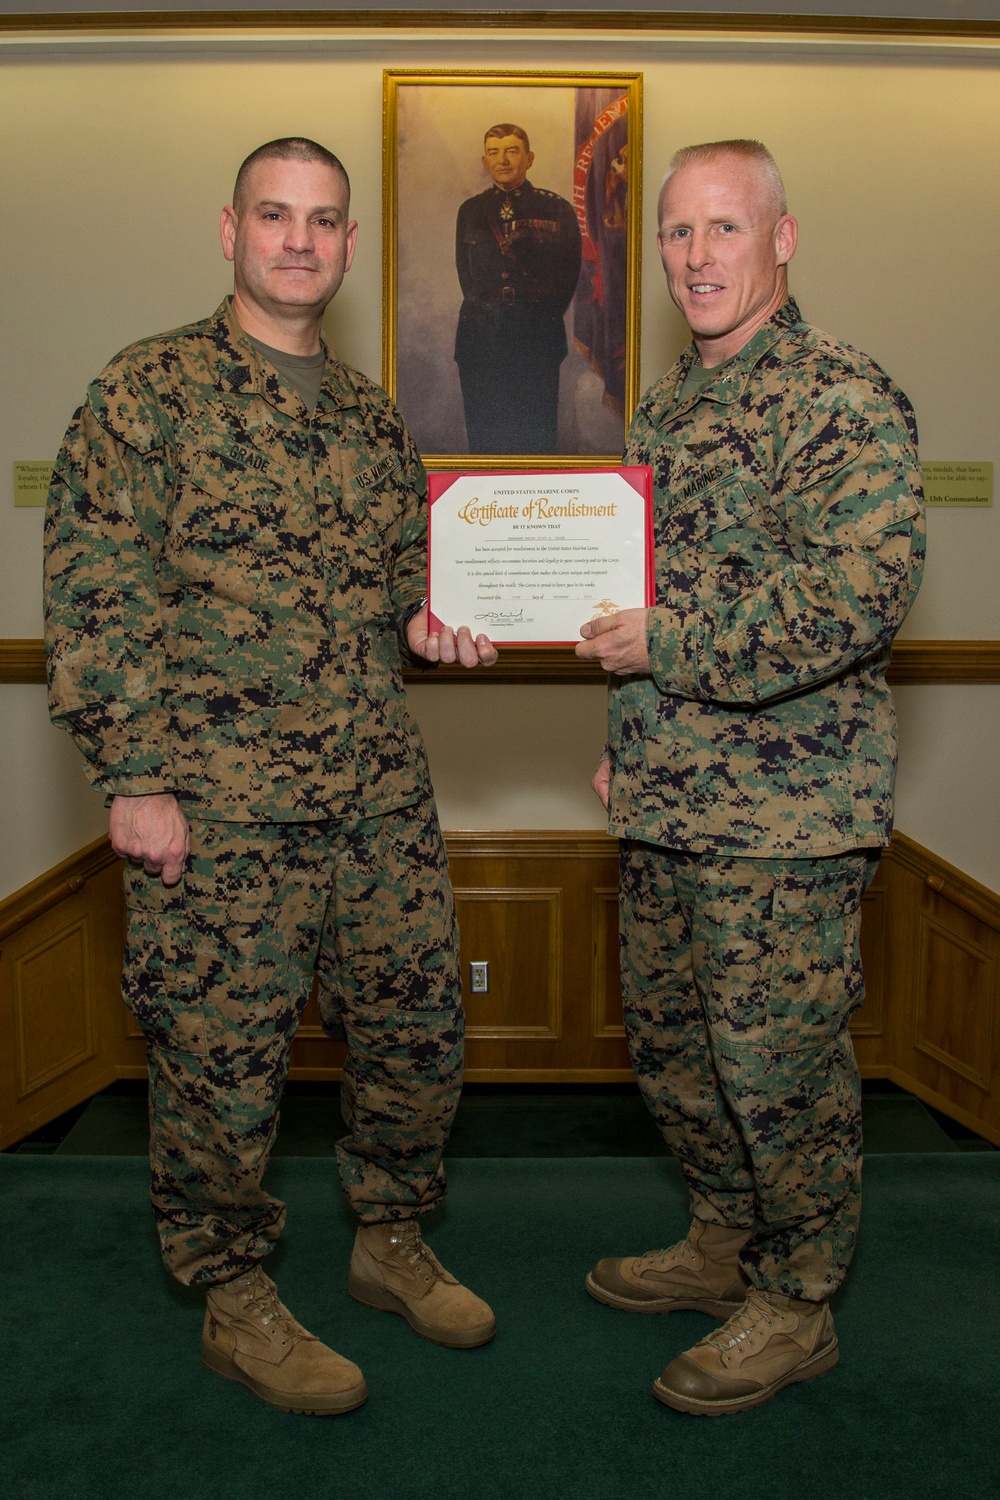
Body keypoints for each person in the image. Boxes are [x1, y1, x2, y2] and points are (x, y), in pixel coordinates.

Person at [44, 137, 500, 1418]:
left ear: (350, 247)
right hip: (217, 800)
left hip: (374, 792)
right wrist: (133, 779)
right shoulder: (149, 394)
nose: (299, 239)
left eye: (323, 220)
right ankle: (234, 1298)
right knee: (218, 1059)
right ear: (230, 230)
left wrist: (439, 623)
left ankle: (390, 1239)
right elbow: (94, 593)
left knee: (418, 1031)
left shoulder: (369, 417)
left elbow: (406, 588)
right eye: (275, 215)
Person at [575, 139, 924, 1416]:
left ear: (781, 239)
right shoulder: (665, 409)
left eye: (724, 230)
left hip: (787, 813)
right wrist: (630, 732)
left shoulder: (840, 398)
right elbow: (640, 594)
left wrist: (661, 646)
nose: (696, 257)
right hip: (668, 799)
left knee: (778, 1066)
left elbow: (857, 595)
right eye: (676, 233)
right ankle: (724, 1236)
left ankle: (797, 1296)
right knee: (675, 1051)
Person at [454, 122, 582, 454]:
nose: (503, 160)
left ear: (529, 158)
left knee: (535, 443)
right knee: (484, 442)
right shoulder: (470, 212)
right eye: (494, 153)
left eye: (512, 151)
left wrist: (536, 318)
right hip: (481, 341)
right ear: (485, 162)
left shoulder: (556, 209)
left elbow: (568, 276)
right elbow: (466, 277)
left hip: (535, 339)